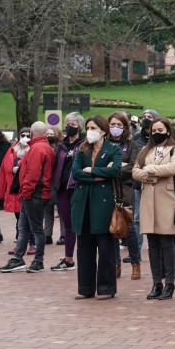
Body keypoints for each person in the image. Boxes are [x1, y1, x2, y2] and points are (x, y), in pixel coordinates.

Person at [67, 115, 122, 299]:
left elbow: (114, 171)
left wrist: (91, 171)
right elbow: (75, 172)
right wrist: (98, 175)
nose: (89, 131)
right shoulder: (82, 149)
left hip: (103, 202)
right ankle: (85, 288)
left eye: (93, 128)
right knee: (84, 248)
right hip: (83, 202)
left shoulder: (113, 149)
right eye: (88, 128)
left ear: (103, 131)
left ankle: (106, 288)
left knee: (105, 247)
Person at [132, 117, 175, 301]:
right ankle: (156, 283)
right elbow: (135, 172)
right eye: (153, 130)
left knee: (167, 242)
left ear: (168, 131)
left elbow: (172, 168)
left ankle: (169, 283)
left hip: (167, 200)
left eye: (160, 129)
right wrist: (153, 175)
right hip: (148, 200)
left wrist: (149, 170)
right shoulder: (145, 150)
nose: (156, 132)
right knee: (152, 243)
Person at [0, 123, 55, 273]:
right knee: (25, 228)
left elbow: (32, 174)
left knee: (34, 229)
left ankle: (38, 261)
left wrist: (26, 193)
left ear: (32, 132)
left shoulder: (37, 148)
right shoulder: (42, 147)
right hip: (34, 193)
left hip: (34, 194)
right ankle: (19, 259)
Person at [49, 113, 85, 272]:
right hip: (62, 188)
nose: (70, 126)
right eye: (68, 123)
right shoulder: (62, 146)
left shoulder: (84, 144)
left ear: (80, 127)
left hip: (78, 188)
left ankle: (86, 256)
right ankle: (68, 259)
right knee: (68, 224)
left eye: (73, 124)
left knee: (82, 224)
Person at [107, 111, 140, 279]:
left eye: (119, 125)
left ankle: (136, 263)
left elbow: (134, 167)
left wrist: (115, 168)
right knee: (111, 225)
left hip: (125, 189)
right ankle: (116, 263)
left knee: (129, 225)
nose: (115, 128)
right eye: (112, 124)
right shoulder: (104, 143)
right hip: (107, 189)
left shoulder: (131, 145)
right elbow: (100, 164)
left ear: (125, 127)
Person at [126, 108, 158, 273]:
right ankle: (136, 250)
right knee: (137, 218)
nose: (146, 119)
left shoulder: (160, 137)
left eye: (150, 117)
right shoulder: (137, 138)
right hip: (138, 185)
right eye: (144, 116)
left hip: (156, 185)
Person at [0, 127, 30, 251]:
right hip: (14, 189)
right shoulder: (12, 151)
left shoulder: (32, 150)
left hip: (27, 189)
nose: (25, 138)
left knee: (28, 218)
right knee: (18, 219)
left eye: (28, 135)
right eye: (23, 135)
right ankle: (20, 243)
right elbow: (3, 170)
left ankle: (32, 243)